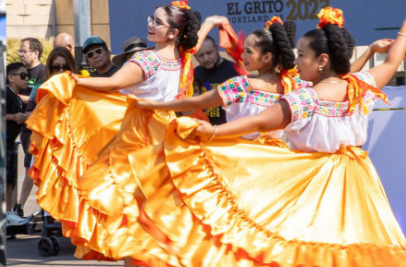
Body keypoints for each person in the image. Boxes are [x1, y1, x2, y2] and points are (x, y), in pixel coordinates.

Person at [132, 7, 406, 266]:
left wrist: (214, 131)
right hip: (359, 179)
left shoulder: (304, 97)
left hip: (312, 179)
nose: (296, 62)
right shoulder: (360, 85)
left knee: (301, 242)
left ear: (322, 61)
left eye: (302, 55)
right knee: (358, 243)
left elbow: (260, 121)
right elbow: (393, 60)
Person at [26, 1, 229, 265]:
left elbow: (112, 83)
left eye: (157, 21)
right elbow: (195, 38)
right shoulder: (183, 55)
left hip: (140, 138)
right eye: (151, 18)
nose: (150, 24)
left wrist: (71, 80)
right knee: (156, 213)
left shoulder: (148, 59)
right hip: (168, 139)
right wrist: (212, 22)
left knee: (132, 212)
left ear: (172, 33)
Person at [135, 17, 306, 143]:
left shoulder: (242, 86)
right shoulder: (293, 85)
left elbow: (195, 103)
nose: (243, 55)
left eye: (248, 51)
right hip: (279, 157)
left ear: (267, 57)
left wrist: (152, 105)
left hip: (241, 156)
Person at [13, 38, 45, 217]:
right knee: (28, 167)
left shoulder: (43, 72)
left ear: (35, 53)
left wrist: (15, 96)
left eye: (24, 50)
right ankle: (17, 207)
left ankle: (21, 206)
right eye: (20, 50)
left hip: (37, 128)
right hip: (22, 128)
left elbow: (39, 97)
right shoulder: (19, 71)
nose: (20, 53)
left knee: (32, 168)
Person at [194, 35, 240, 125]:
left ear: (217, 49)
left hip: (229, 130)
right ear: (195, 57)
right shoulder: (194, 74)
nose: (206, 58)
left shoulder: (234, 71)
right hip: (204, 130)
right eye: (201, 55)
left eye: (209, 53)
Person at [5, 63, 28, 214]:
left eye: (27, 75)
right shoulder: (5, 93)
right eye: (23, 75)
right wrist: (14, 117)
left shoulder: (15, 95)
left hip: (10, 144)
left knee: (9, 181)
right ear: (11, 77)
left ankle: (8, 214)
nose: (27, 79)